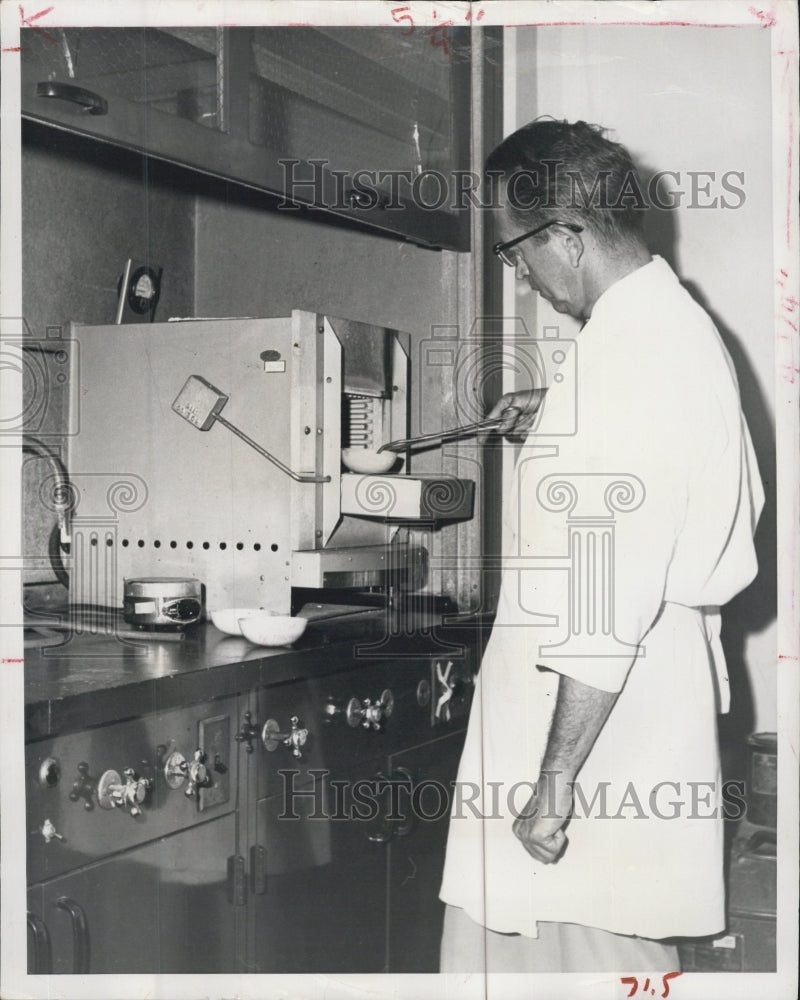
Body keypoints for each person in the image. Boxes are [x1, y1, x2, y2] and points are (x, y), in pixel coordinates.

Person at [438, 119, 764, 973]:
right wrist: (558, 413)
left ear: (569, 237)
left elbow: (604, 604)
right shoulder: (663, 332)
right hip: (637, 713)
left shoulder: (633, 361)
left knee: (561, 964)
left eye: (515, 254)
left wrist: (553, 790)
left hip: (596, 743)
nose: (519, 278)